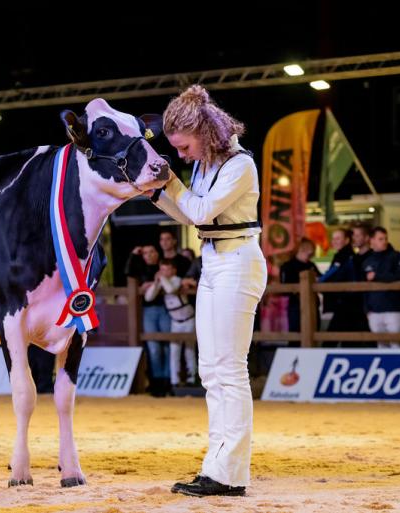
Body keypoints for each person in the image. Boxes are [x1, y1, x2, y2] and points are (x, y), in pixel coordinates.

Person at [150, 84, 266, 497]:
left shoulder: (240, 165)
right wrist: (157, 192)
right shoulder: (203, 165)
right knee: (210, 370)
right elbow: (193, 217)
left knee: (230, 369)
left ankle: (229, 473)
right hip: (214, 260)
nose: (180, 155)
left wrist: (171, 181)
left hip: (239, 261)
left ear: (202, 132)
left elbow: (199, 209)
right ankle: (217, 466)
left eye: (183, 146)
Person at [126, 244, 172, 396]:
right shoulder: (141, 269)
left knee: (169, 345)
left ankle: (168, 381)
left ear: (157, 253)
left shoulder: (166, 267)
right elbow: (128, 271)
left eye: (152, 251)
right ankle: (156, 382)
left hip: (167, 309)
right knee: (153, 348)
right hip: (149, 310)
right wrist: (133, 254)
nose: (149, 255)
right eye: (145, 253)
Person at [145, 258, 197, 388]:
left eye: (166, 269)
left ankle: (192, 378)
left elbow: (170, 290)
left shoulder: (177, 280)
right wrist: (156, 283)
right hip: (175, 322)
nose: (163, 272)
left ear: (173, 270)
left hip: (188, 319)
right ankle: (175, 380)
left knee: (189, 349)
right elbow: (148, 297)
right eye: (161, 269)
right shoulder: (162, 282)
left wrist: (161, 279)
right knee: (175, 351)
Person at [363, 227, 400, 347]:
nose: (384, 241)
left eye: (385, 238)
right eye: (380, 239)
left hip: (393, 309)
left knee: (396, 344)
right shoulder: (367, 261)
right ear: (371, 241)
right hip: (375, 311)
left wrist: (377, 276)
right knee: (381, 346)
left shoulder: (396, 256)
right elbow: (364, 288)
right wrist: (367, 310)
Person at [279, 238, 321, 335]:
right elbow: (284, 288)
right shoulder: (288, 266)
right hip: (296, 306)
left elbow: (321, 279)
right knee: (296, 334)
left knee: (314, 333)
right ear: (301, 249)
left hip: (313, 304)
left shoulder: (311, 265)